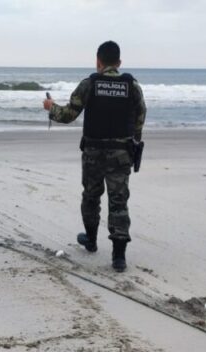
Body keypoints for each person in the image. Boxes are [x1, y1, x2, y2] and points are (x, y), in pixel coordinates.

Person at [44, 40, 146, 272]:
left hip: (93, 153)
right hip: (121, 153)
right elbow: (140, 115)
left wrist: (50, 106)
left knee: (91, 197)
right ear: (119, 63)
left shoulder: (90, 84)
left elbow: (69, 114)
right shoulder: (132, 86)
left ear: (98, 62)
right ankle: (119, 257)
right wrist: (134, 141)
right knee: (118, 202)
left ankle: (91, 241)